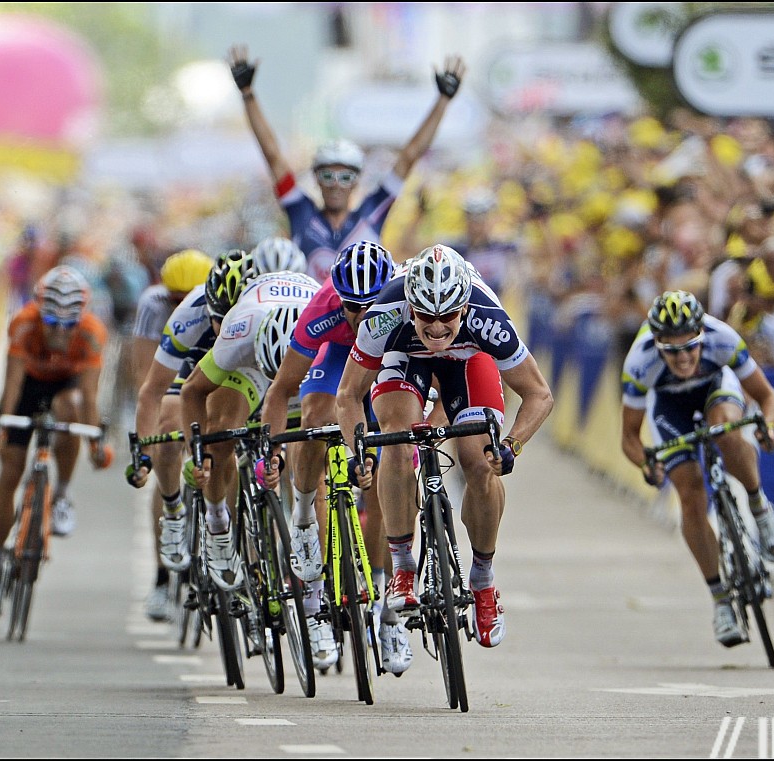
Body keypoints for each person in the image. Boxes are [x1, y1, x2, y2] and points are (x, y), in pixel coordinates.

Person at [335, 244, 554, 650]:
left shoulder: (488, 317)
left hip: (469, 361)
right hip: (405, 358)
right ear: (410, 307)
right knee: (396, 442)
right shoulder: (385, 315)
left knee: (480, 462)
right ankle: (402, 567)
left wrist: (511, 446)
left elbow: (540, 395)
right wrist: (359, 450)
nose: (436, 329)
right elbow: (349, 394)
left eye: (448, 317)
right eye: (425, 318)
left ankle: (483, 581)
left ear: (465, 308)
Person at [257, 240, 414, 673]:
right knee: (314, 416)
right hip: (339, 357)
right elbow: (281, 390)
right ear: (337, 298)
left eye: (372, 305)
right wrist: (271, 449)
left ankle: (391, 614)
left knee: (392, 475)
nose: (362, 316)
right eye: (352, 307)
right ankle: (306, 515)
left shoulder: (405, 300)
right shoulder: (322, 309)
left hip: (388, 356)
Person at [620, 290, 774, 648]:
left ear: (702, 336)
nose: (683, 358)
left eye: (690, 347)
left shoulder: (723, 338)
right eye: (672, 351)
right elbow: (629, 439)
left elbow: (769, 398)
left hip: (715, 391)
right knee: (690, 494)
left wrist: (769, 427)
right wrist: (647, 465)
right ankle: (721, 600)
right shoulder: (639, 362)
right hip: (669, 406)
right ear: (657, 345)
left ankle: (759, 509)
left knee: (725, 430)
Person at [228, 44, 465, 283]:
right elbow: (272, 156)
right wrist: (248, 94)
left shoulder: (373, 211)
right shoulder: (301, 211)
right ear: (316, 179)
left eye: (345, 177)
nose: (336, 185)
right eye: (327, 176)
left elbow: (410, 155)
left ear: (356, 181)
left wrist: (443, 100)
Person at [183, 269, 319, 654]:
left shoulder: (325, 326)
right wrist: (201, 454)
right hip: (252, 367)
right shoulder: (238, 332)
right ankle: (218, 523)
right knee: (222, 427)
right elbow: (193, 390)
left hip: (305, 357)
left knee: (314, 443)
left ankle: (315, 581)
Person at [0, 266, 114, 615]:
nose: (59, 333)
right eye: (52, 323)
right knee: (9, 474)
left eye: (68, 326)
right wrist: (2, 427)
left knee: (72, 408)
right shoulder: (23, 323)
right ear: (40, 313)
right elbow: (13, 385)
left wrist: (96, 441)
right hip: (28, 387)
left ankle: (62, 495)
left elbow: (90, 396)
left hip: (67, 388)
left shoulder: (93, 333)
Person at [125, 249, 260, 609]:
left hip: (242, 368)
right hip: (191, 369)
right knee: (168, 428)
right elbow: (151, 389)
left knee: (226, 441)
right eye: (219, 320)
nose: (224, 328)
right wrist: (143, 450)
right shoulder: (186, 315)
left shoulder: (263, 310)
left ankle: (232, 540)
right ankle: (172, 512)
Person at [123, 248, 214, 622]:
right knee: (167, 430)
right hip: (172, 372)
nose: (183, 306)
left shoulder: (222, 300)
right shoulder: (153, 302)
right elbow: (146, 376)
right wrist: (149, 442)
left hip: (211, 367)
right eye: (176, 299)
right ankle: (162, 576)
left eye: (189, 298)